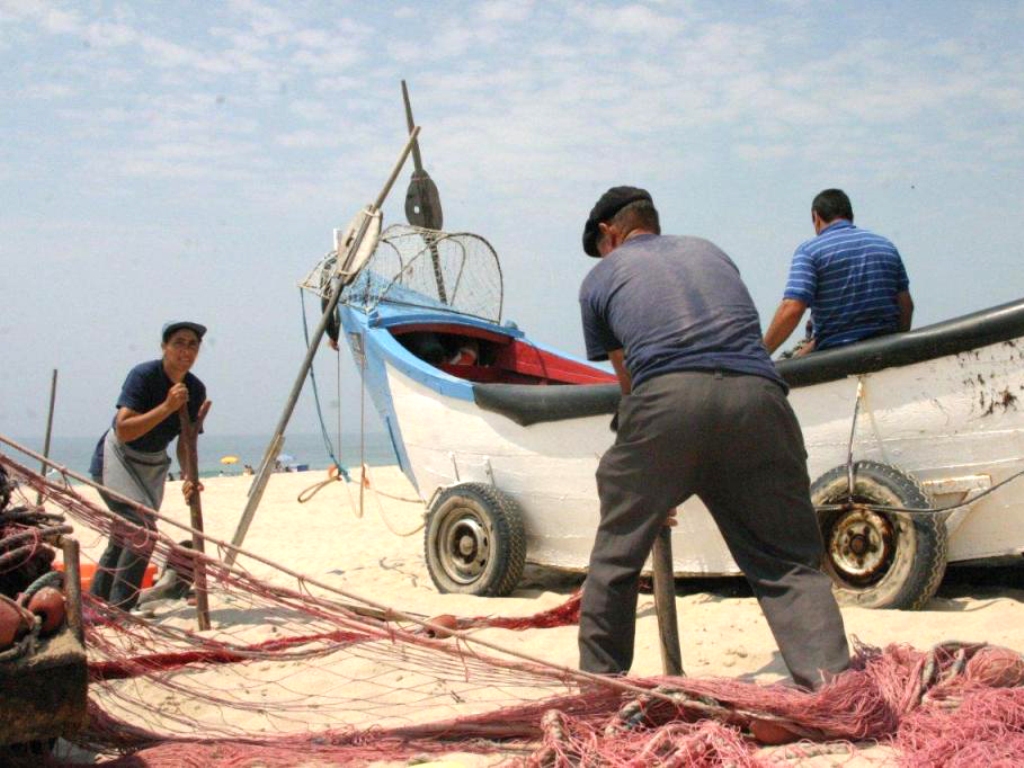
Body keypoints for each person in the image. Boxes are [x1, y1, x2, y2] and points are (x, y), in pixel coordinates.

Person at [577, 186, 850, 690]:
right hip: (761, 400)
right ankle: (833, 689)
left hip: (668, 403)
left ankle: (599, 693)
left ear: (607, 235)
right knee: (789, 564)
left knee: (616, 558)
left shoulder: (600, 277)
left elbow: (630, 385)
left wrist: (651, 488)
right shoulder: (710, 251)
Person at [88, 321, 211, 612]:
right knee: (142, 531)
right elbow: (125, 429)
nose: (186, 350)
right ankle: (121, 609)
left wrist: (190, 476)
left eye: (193, 344)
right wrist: (167, 407)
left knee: (123, 537)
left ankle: (95, 606)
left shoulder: (195, 388)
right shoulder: (143, 375)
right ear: (164, 347)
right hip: (116, 460)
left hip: (151, 465)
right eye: (179, 342)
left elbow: (186, 440)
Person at [763, 189, 914, 356]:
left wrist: (760, 355)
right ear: (850, 215)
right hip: (887, 348)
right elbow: (906, 305)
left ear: (816, 217)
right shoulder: (886, 246)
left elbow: (792, 309)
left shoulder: (809, 251)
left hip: (834, 356)